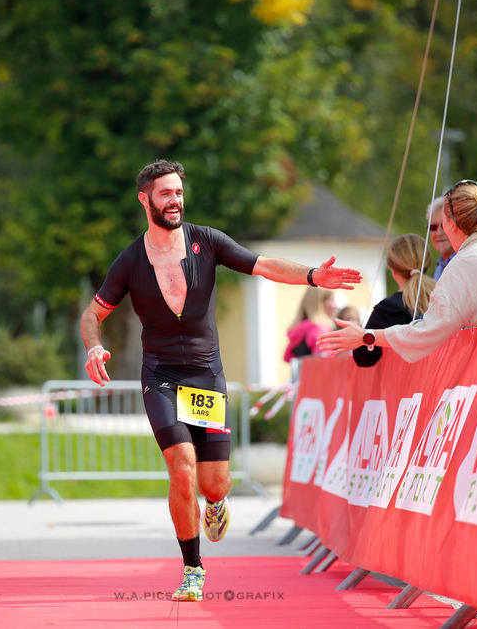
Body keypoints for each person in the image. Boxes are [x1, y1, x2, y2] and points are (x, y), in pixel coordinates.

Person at [80, 160, 362, 602]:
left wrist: (311, 275)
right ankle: (192, 569)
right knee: (181, 468)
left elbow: (263, 265)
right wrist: (94, 346)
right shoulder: (131, 259)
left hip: (205, 376)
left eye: (178, 193)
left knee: (213, 482)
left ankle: (215, 504)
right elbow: (93, 314)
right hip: (161, 377)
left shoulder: (206, 241)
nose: (174, 201)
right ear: (145, 199)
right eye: (165, 194)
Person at [319, 180, 477, 362]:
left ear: (452, 225)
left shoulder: (462, 266)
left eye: (441, 223)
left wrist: (366, 336)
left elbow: (425, 333)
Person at [351, 234, 436, 367]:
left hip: (411, 385)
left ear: (392, 269)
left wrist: (359, 334)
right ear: (427, 263)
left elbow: (364, 358)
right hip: (456, 383)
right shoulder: (445, 296)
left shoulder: (389, 308)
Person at [283, 287, 335, 363]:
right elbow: (325, 361)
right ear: (320, 303)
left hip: (302, 374)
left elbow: (287, 357)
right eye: (331, 300)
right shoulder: (320, 329)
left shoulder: (299, 327)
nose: (335, 305)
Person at [427, 196, 456, 279]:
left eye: (444, 226)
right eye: (433, 227)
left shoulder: (465, 262)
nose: (438, 233)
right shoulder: (440, 266)